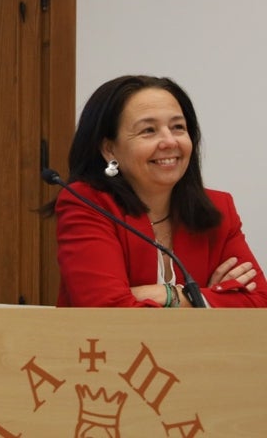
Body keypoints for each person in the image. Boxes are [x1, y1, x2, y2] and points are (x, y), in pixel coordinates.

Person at [47, 75, 267, 308]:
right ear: (109, 149)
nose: (169, 141)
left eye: (178, 127)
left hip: (200, 346)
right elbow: (109, 309)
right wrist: (207, 299)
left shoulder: (218, 208)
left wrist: (170, 296)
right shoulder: (88, 203)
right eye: (149, 130)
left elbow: (260, 303)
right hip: (111, 345)